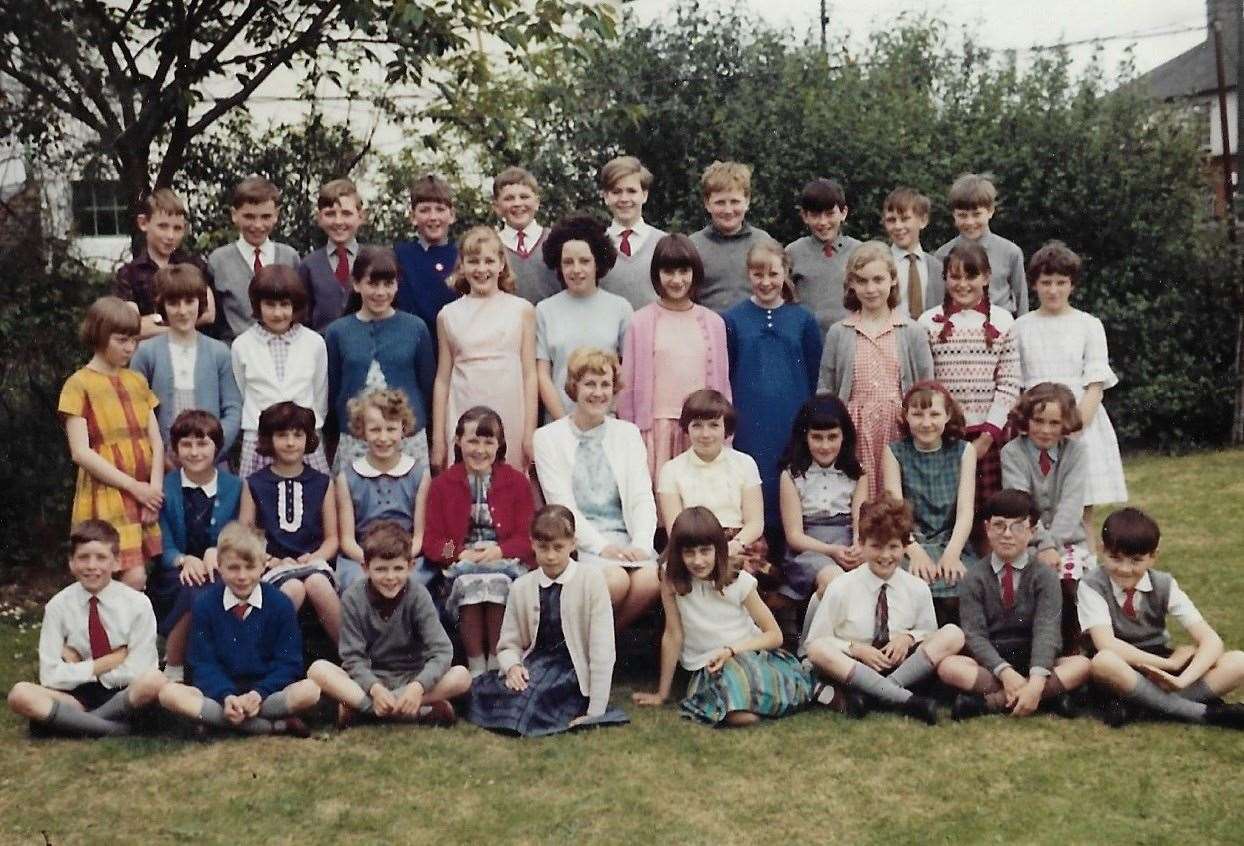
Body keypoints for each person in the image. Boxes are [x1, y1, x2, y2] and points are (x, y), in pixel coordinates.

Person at [634, 506, 812, 726]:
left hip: (746, 653)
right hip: (707, 666)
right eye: (689, 552)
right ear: (677, 553)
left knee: (744, 679)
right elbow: (673, 635)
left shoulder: (739, 581)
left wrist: (731, 651)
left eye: (705, 551)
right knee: (734, 711)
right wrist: (662, 694)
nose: (698, 561)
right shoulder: (670, 578)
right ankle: (756, 702)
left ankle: (795, 691)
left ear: (718, 549)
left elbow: (775, 636)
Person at [467, 505, 629, 736]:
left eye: (558, 547)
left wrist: (596, 710)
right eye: (543, 547)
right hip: (535, 663)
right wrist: (513, 666)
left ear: (573, 544)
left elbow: (602, 650)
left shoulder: (591, 581)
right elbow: (509, 643)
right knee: (489, 690)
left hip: (571, 670)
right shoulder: (522, 586)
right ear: (532, 544)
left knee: (534, 697)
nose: (551, 556)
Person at [532, 347, 660, 631]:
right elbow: (562, 507)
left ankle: (601, 646)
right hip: (579, 541)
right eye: (590, 384)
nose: (598, 393)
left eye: (605, 385)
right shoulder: (547, 438)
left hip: (626, 539)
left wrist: (640, 543)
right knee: (614, 581)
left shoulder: (627, 434)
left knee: (650, 579)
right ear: (574, 387)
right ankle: (591, 650)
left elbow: (641, 496)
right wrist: (603, 548)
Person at [1081, 508, 1244, 729]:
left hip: (1159, 663)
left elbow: (1211, 640)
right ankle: (1203, 713)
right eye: (1115, 558)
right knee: (1104, 661)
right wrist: (1170, 663)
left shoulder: (1164, 584)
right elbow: (1106, 643)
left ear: (1154, 556)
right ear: (1102, 550)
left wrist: (1180, 680)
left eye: (1136, 561)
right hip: (1121, 668)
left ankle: (1141, 706)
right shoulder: (1092, 584)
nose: (1125, 569)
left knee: (1238, 662)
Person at [803, 498, 961, 724]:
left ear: (905, 547)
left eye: (893, 547)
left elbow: (929, 633)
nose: (885, 556)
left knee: (953, 633)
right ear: (862, 545)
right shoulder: (842, 587)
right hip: (856, 669)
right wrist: (854, 648)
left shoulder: (917, 587)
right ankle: (908, 701)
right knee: (819, 650)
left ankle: (876, 695)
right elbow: (815, 643)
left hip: (903, 669)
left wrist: (908, 638)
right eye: (876, 546)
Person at [158, 521, 321, 737]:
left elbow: (289, 663)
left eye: (250, 567)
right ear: (220, 566)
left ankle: (218, 722)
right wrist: (226, 696)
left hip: (265, 694)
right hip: (220, 695)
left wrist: (258, 694)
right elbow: (203, 664)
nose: (242, 576)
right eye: (233, 568)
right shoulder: (205, 604)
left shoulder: (280, 603)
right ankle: (272, 726)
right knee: (169, 694)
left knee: (310, 691)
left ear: (263, 566)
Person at [937, 490, 1089, 720]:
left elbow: (1047, 631)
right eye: (999, 525)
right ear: (987, 528)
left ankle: (994, 702)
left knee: (1082, 665)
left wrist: (1037, 679)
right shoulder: (974, 578)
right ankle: (1048, 698)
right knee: (949, 667)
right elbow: (974, 635)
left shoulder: (1044, 576)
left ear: (1032, 531)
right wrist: (1005, 672)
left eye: (1017, 526)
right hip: (994, 665)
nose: (1007, 534)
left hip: (1035, 658)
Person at [1013, 240, 1127, 544]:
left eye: (1061, 283)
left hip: (1080, 425)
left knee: (1079, 512)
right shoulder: (1021, 327)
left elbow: (1095, 384)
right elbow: (1017, 383)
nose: (1053, 290)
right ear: (1034, 284)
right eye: (1046, 282)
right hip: (1035, 425)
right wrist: (1038, 427)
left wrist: (1071, 427)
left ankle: (1084, 578)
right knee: (1034, 508)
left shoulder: (1088, 325)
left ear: (1072, 285)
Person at [7, 520, 166, 737]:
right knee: (20, 694)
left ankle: (77, 724)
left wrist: (78, 668)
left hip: (126, 692)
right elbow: (49, 675)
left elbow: (139, 669)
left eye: (101, 557)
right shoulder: (58, 606)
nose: (92, 566)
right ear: (72, 563)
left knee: (154, 680)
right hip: (76, 696)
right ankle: (114, 728)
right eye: (83, 557)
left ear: (117, 562)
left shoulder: (137, 604)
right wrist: (103, 664)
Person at [308, 521, 472, 729]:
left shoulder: (418, 595)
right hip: (370, 680)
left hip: (413, 676)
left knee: (462, 676)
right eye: (381, 569)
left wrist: (417, 687)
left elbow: (442, 651)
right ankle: (408, 711)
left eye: (398, 568)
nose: (390, 577)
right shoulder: (353, 597)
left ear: (411, 567)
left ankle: (365, 712)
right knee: (318, 669)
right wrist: (375, 689)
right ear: (365, 568)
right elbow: (352, 656)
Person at [59, 296, 163, 589]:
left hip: (143, 491)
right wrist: (134, 487)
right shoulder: (78, 384)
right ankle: (99, 635)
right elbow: (81, 452)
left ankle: (125, 635)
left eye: (134, 340)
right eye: (122, 340)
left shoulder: (137, 382)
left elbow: (156, 439)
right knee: (117, 576)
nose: (130, 348)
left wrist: (153, 490)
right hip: (106, 493)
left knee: (137, 577)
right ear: (99, 335)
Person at [423, 407, 535, 677]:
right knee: (471, 584)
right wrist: (458, 553)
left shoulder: (517, 483)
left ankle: (498, 663)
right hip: (462, 567)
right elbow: (434, 541)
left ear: (500, 445)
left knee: (496, 583)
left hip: (505, 563)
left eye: (488, 442)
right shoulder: (442, 485)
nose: (480, 450)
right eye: (473, 441)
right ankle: (476, 667)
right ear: (458, 442)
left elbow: (528, 537)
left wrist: (501, 550)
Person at [818, 240, 933, 500]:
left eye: (878, 280)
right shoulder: (840, 332)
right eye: (862, 281)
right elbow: (826, 387)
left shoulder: (911, 331)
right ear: (851, 284)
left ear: (892, 280)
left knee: (897, 495)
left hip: (898, 428)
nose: (871, 289)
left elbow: (926, 386)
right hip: (855, 429)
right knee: (859, 496)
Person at [724, 239, 823, 542]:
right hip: (749, 417)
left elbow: (815, 370)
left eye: (773, 274)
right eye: (757, 274)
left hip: (791, 416)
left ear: (786, 273)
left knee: (789, 473)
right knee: (755, 475)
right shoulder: (732, 319)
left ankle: (789, 546)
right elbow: (728, 370)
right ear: (748, 275)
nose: (765, 282)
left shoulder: (803, 319)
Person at [918, 241, 1020, 520]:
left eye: (971, 276)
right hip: (944, 434)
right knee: (948, 511)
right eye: (955, 276)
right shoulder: (928, 323)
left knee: (989, 512)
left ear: (986, 277)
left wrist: (988, 435)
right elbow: (926, 383)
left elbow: (1010, 383)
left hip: (989, 435)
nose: (962, 284)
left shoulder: (1004, 321)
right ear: (945, 278)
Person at [616, 233, 730, 484]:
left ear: (694, 272)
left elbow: (722, 388)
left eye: (683, 271)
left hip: (701, 428)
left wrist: (725, 435)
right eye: (668, 272)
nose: (677, 280)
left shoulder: (713, 323)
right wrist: (631, 438)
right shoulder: (640, 321)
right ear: (657, 274)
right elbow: (627, 389)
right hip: (656, 430)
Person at [432, 225, 537, 472]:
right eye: (473, 261)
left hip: (510, 408)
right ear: (462, 266)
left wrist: (529, 433)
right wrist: (438, 439)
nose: (481, 269)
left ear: (501, 264)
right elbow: (442, 380)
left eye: (489, 261)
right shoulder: (448, 315)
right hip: (463, 405)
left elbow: (530, 375)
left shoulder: (522, 310)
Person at [324, 246, 435, 473]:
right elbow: (333, 388)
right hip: (355, 438)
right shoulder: (338, 331)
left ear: (397, 284)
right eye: (372, 284)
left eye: (388, 284)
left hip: (407, 437)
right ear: (356, 284)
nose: (381, 292)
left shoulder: (415, 327)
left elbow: (427, 387)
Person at [153, 411, 243, 684]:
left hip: (220, 568)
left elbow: (241, 532)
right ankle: (175, 665)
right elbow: (163, 543)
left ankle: (221, 664)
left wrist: (219, 549)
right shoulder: (165, 487)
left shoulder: (235, 486)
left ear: (217, 446)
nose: (194, 452)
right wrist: (183, 559)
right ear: (175, 449)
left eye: (202, 444)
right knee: (192, 589)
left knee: (221, 588)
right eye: (186, 444)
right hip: (175, 573)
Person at [240, 402, 341, 642]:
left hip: (313, 562)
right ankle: (261, 657)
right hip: (273, 565)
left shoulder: (322, 483)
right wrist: (268, 560)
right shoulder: (254, 483)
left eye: (298, 435)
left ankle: (351, 656)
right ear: (268, 439)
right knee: (293, 587)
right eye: (282, 435)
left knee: (316, 582)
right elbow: (245, 536)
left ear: (308, 439)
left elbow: (332, 539)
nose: (290, 442)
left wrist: (317, 556)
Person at [1001, 383, 1092, 650]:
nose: (1045, 429)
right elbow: (1021, 503)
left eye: (1054, 422)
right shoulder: (1012, 453)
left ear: (1066, 423)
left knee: (1075, 581)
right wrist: (1042, 544)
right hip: (1026, 541)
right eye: (1038, 421)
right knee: (1027, 583)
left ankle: (1075, 648)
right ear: (1025, 420)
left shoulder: (1076, 454)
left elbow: (1071, 506)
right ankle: (1035, 649)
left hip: (1068, 542)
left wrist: (1052, 546)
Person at [130, 264, 241, 468]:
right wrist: (157, 455)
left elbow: (233, 408)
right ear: (162, 306)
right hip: (163, 464)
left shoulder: (219, 352)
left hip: (211, 463)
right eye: (173, 303)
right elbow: (135, 411)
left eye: (189, 302)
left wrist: (213, 447)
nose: (183, 311)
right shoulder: (146, 353)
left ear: (201, 303)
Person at [882, 381, 976, 620]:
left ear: (948, 415)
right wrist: (915, 552)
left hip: (951, 540)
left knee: (965, 581)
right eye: (917, 414)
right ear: (906, 416)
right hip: (910, 541)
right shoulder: (894, 452)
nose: (926, 423)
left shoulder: (964, 451)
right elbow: (896, 511)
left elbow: (965, 511)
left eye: (934, 414)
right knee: (907, 581)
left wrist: (952, 553)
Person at [231, 264, 330, 477]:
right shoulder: (242, 345)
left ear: (296, 305)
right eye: (269, 304)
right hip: (258, 441)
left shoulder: (314, 343)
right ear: (257, 305)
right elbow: (240, 393)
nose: (278, 313)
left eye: (285, 305)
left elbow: (320, 395)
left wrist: (309, 428)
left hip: (302, 440)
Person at [657, 390, 767, 577]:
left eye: (714, 425)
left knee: (735, 575)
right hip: (692, 545)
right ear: (687, 428)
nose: (705, 434)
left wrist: (734, 545)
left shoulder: (745, 463)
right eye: (697, 426)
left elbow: (755, 522)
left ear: (726, 428)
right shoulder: (671, 470)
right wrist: (705, 552)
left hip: (739, 543)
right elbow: (675, 528)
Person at [535, 214, 633, 421]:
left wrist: (609, 413)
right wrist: (564, 423)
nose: (576, 270)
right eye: (568, 262)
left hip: (607, 422)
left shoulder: (620, 308)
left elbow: (628, 371)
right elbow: (542, 375)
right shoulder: (544, 310)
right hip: (558, 423)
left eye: (585, 261)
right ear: (559, 265)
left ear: (597, 262)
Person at [334, 389, 431, 593]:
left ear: (403, 429)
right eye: (375, 430)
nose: (383, 437)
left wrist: (397, 564)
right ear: (362, 430)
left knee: (412, 584)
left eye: (391, 429)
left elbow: (420, 537)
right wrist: (373, 564)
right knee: (359, 584)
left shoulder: (419, 475)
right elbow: (347, 540)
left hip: (406, 558)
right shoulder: (347, 477)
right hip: (362, 558)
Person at [777, 394, 867, 606]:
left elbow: (859, 522)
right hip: (809, 550)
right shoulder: (792, 475)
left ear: (844, 436)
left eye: (832, 437)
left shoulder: (858, 473)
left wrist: (858, 544)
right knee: (834, 580)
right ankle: (814, 636)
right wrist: (831, 551)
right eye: (817, 437)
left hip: (846, 544)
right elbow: (794, 536)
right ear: (805, 437)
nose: (825, 446)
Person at [113, 187, 215, 339]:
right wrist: (184, 325)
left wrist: (155, 322)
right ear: (143, 223)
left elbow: (209, 315)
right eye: (163, 226)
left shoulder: (196, 265)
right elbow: (132, 328)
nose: (170, 236)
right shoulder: (129, 274)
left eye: (177, 228)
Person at [208, 176, 300, 342]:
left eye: (265, 217)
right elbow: (215, 322)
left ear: (276, 215)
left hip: (284, 352)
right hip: (234, 355)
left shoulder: (290, 257)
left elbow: (299, 310)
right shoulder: (218, 261)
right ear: (235, 215)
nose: (257, 225)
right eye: (249, 217)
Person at [934, 172, 1027, 316]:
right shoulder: (943, 254)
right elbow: (939, 300)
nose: (970, 222)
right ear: (954, 215)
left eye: (977, 214)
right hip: (957, 331)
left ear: (990, 211)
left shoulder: (1010, 252)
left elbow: (1022, 301)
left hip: (1000, 328)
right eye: (963, 215)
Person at [689, 161, 773, 313]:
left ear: (747, 201)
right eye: (720, 202)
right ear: (707, 204)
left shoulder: (763, 242)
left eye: (735, 202)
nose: (728, 210)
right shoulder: (693, 246)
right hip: (708, 331)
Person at [786, 177, 861, 333]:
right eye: (815, 215)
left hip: (850, 339)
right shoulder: (793, 252)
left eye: (829, 214)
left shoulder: (860, 252)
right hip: (808, 340)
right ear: (805, 216)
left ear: (843, 213)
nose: (823, 222)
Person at [597, 155, 667, 310]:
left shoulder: (664, 243)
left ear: (644, 195)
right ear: (606, 197)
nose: (624, 198)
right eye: (616, 192)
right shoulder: (596, 245)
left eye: (631, 191)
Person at [393, 173, 459, 337]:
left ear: (451, 215)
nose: (433, 217)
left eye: (440, 209)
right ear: (413, 217)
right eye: (424, 210)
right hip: (411, 345)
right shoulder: (398, 256)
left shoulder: (463, 257)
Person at [299, 178, 367, 332]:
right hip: (322, 350)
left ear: (360, 217)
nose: (338, 221)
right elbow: (303, 318)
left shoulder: (372, 260)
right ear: (319, 218)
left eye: (346, 213)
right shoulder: (309, 265)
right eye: (330, 214)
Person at [492, 166, 560, 304]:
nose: (517, 203)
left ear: (537, 202)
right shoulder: (491, 246)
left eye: (524, 197)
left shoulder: (556, 240)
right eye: (509, 198)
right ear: (497, 207)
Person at [882, 186, 944, 322]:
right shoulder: (880, 264)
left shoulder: (937, 267)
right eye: (891, 220)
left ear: (923, 221)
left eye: (905, 219)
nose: (898, 226)